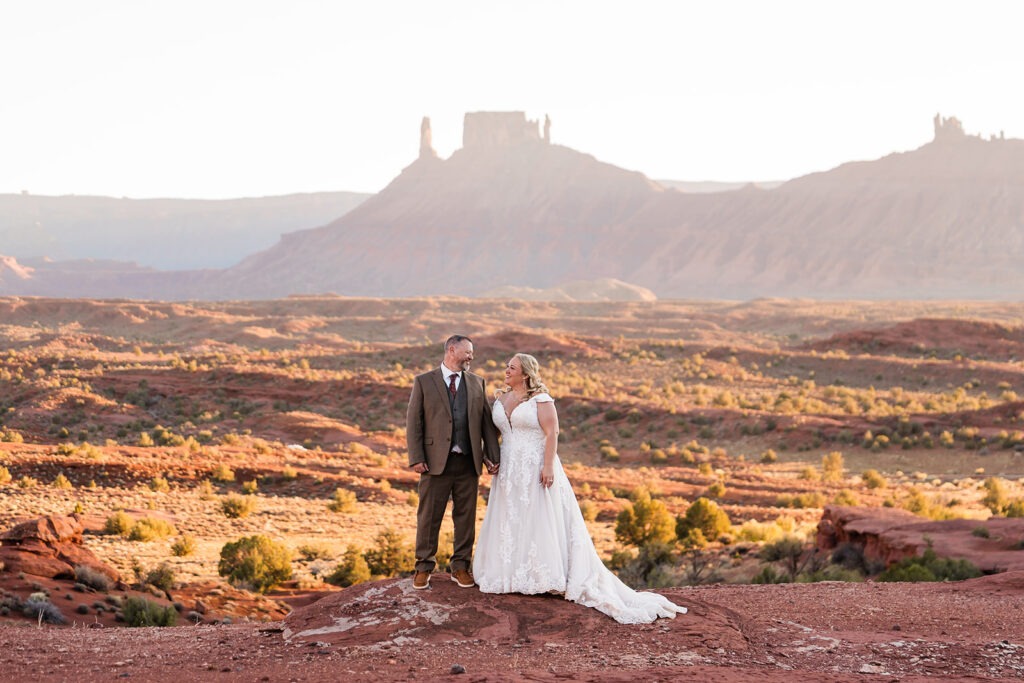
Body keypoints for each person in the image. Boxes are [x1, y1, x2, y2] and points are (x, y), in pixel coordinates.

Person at [473, 353, 687, 624]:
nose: (506, 370)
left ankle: (543, 575)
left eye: (511, 367)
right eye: (507, 366)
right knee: (511, 516)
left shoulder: (541, 399)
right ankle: (510, 574)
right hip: (510, 469)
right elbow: (495, 433)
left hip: (536, 464)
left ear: (525, 374)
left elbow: (552, 433)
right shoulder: (501, 399)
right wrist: (490, 457)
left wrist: (547, 466)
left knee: (539, 516)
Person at [407, 334, 500, 590]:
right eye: (467, 352)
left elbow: (486, 423)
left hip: (468, 462)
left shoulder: (477, 382)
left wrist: (492, 457)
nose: (471, 356)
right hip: (434, 463)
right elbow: (414, 422)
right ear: (451, 350)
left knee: (465, 517)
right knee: (429, 516)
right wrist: (416, 457)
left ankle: (460, 566)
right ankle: (423, 567)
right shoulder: (424, 381)